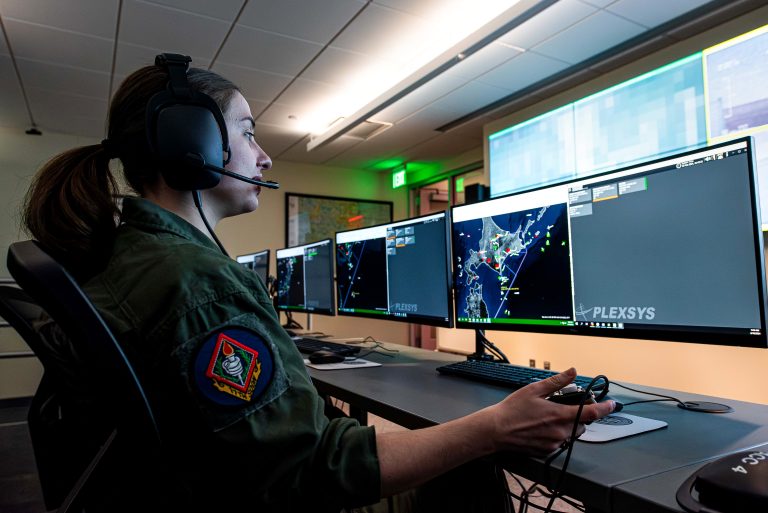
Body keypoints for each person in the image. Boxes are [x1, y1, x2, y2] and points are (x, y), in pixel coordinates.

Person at [21, 55, 615, 513]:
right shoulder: (201, 284)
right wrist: (491, 428)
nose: (264, 157)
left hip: (183, 487)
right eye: (248, 132)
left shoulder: (135, 256)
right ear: (193, 146)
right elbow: (313, 470)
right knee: (464, 460)